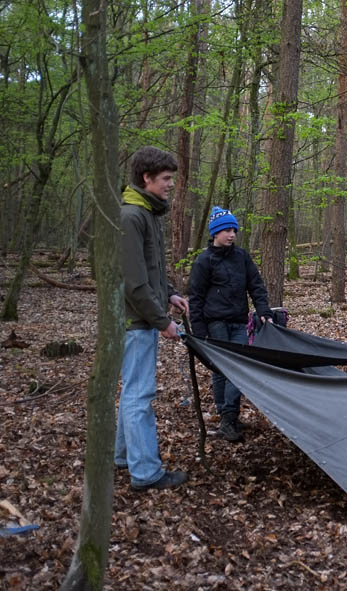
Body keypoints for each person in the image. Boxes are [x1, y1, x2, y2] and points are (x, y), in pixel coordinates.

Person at [115, 146, 189, 491]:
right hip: (135, 323)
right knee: (139, 396)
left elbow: (152, 270)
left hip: (143, 318)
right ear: (146, 178)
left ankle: (122, 456)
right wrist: (162, 321)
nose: (170, 184)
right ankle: (145, 472)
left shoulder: (147, 214)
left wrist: (171, 293)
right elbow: (133, 282)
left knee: (133, 391)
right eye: (165, 179)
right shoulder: (131, 217)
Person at [189, 207, 273, 442]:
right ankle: (226, 417)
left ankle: (229, 415)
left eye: (234, 230)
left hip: (238, 321)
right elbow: (195, 298)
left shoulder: (242, 257)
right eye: (227, 230)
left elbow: (256, 285)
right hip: (214, 323)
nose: (231, 234)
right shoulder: (204, 261)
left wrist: (263, 310)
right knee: (220, 370)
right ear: (215, 233)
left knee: (238, 368)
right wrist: (200, 332)